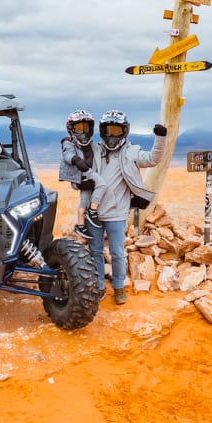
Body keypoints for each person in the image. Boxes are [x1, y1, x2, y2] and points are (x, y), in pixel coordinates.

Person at [87, 110, 167, 304]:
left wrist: (161, 138)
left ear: (124, 131)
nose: (112, 135)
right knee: (95, 251)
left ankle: (119, 287)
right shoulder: (95, 150)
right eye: (108, 130)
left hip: (117, 212)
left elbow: (152, 159)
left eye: (117, 130)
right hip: (94, 211)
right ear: (102, 131)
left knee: (117, 252)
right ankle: (98, 286)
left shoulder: (130, 151)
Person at [58, 110, 105, 239]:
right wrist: (76, 160)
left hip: (89, 176)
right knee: (101, 185)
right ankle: (92, 213)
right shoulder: (68, 143)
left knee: (84, 202)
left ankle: (81, 225)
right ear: (71, 129)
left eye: (86, 127)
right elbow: (67, 154)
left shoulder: (93, 145)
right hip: (82, 177)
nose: (83, 131)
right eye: (79, 128)